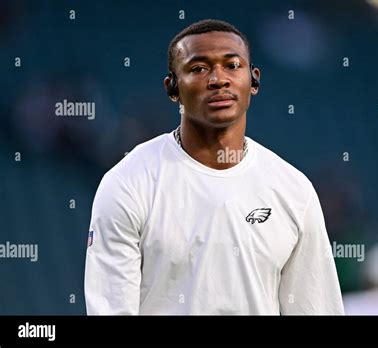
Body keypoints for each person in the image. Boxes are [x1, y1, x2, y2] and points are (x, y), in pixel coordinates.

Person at [84, 19, 344, 315]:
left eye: (232, 65)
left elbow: (315, 308)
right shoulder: (127, 183)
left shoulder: (294, 190)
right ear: (172, 87)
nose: (219, 79)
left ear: (254, 80)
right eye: (198, 68)